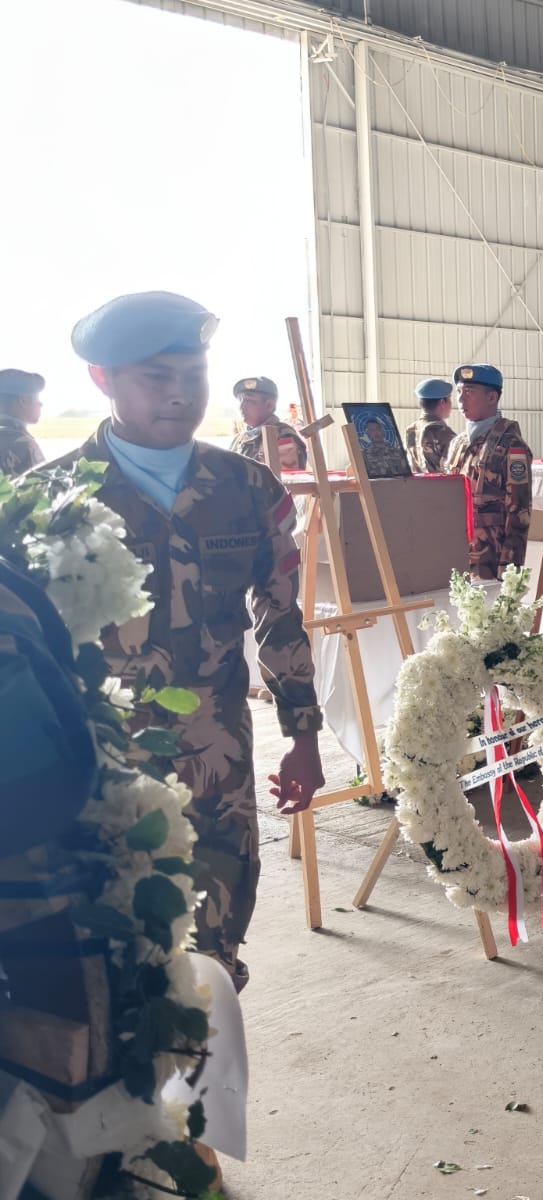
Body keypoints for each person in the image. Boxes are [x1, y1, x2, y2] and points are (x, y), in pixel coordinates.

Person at [48, 290, 325, 991]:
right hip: (101, 766)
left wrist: (303, 734)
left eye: (193, 376)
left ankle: (210, 1074)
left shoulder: (246, 487)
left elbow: (280, 614)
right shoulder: (54, 503)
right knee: (112, 951)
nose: (180, 396)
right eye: (156, 378)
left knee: (215, 950)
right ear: (103, 380)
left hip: (218, 760)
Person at [442, 364, 533, 580]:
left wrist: (509, 569)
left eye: (469, 393)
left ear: (492, 398)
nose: (461, 400)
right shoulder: (458, 443)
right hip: (457, 555)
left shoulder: (511, 446)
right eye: (459, 393)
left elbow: (519, 512)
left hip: (491, 560)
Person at [228, 376, 307, 472]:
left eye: (249, 401)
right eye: (240, 400)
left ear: (269, 405)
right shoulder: (239, 439)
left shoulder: (283, 436)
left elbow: (284, 483)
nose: (241, 406)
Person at [0, 368, 45, 476]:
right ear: (23, 401)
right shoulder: (22, 443)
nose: (40, 403)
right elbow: (41, 488)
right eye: (37, 398)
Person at [405, 377, 455, 473]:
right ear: (442, 402)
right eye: (449, 399)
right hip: (440, 487)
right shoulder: (443, 432)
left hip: (416, 487)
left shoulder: (411, 430)